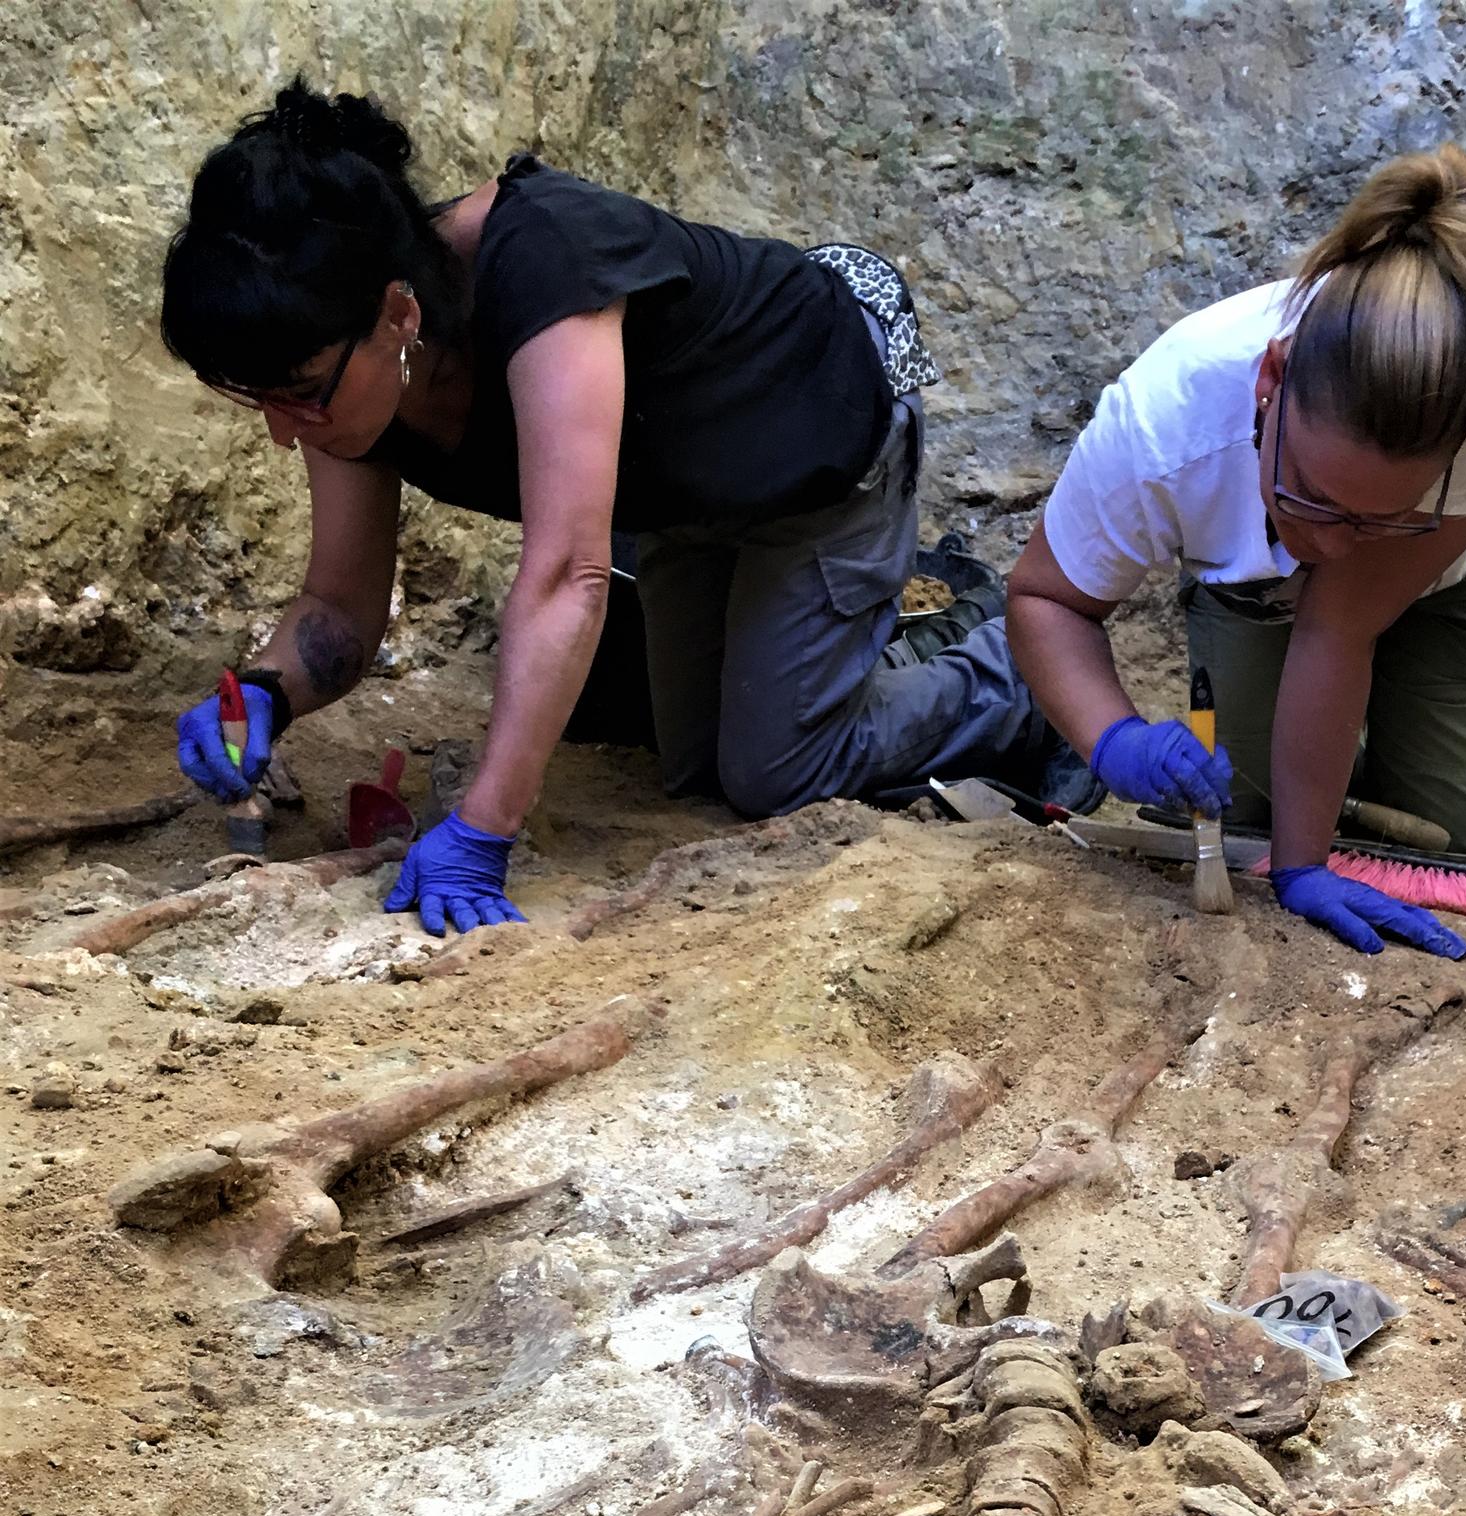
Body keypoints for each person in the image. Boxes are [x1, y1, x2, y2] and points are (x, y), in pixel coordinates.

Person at [161, 81, 1057, 937]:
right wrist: (267, 694)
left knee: (778, 772)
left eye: (300, 395)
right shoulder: (338, 359)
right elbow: (338, 607)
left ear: (399, 314)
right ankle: (869, 652)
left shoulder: (546, 261)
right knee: (697, 768)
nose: (286, 432)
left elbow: (568, 575)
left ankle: (1027, 675)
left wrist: (485, 826)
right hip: (683, 496)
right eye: (257, 400)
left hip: (817, 432)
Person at [1007, 144, 1466, 959]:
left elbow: (1338, 623)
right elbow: (1044, 598)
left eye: (1377, 513)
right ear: (1270, 381)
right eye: (1312, 494)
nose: (1333, 545)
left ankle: (1446, 709)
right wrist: (1114, 740)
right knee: (1242, 810)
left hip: (1464, 544)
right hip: (1292, 566)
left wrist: (1303, 868)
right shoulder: (1166, 420)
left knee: (1443, 830)